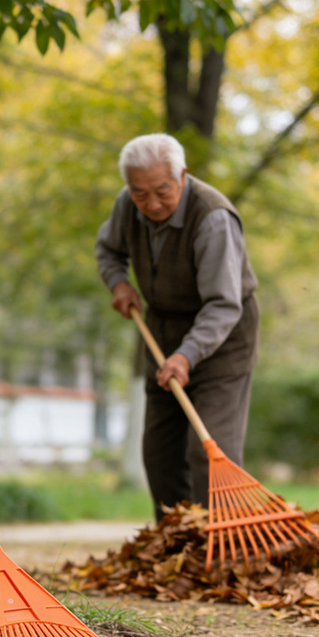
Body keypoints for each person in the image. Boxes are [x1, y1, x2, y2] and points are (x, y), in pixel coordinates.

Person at [95, 134, 259, 522]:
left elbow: (223, 303)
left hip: (224, 333)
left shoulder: (213, 218)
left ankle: (223, 550)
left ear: (181, 176)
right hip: (160, 329)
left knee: (209, 447)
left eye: (161, 191)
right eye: (140, 193)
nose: (151, 204)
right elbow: (109, 249)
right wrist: (118, 282)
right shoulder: (126, 204)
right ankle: (177, 547)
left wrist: (187, 355)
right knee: (159, 452)